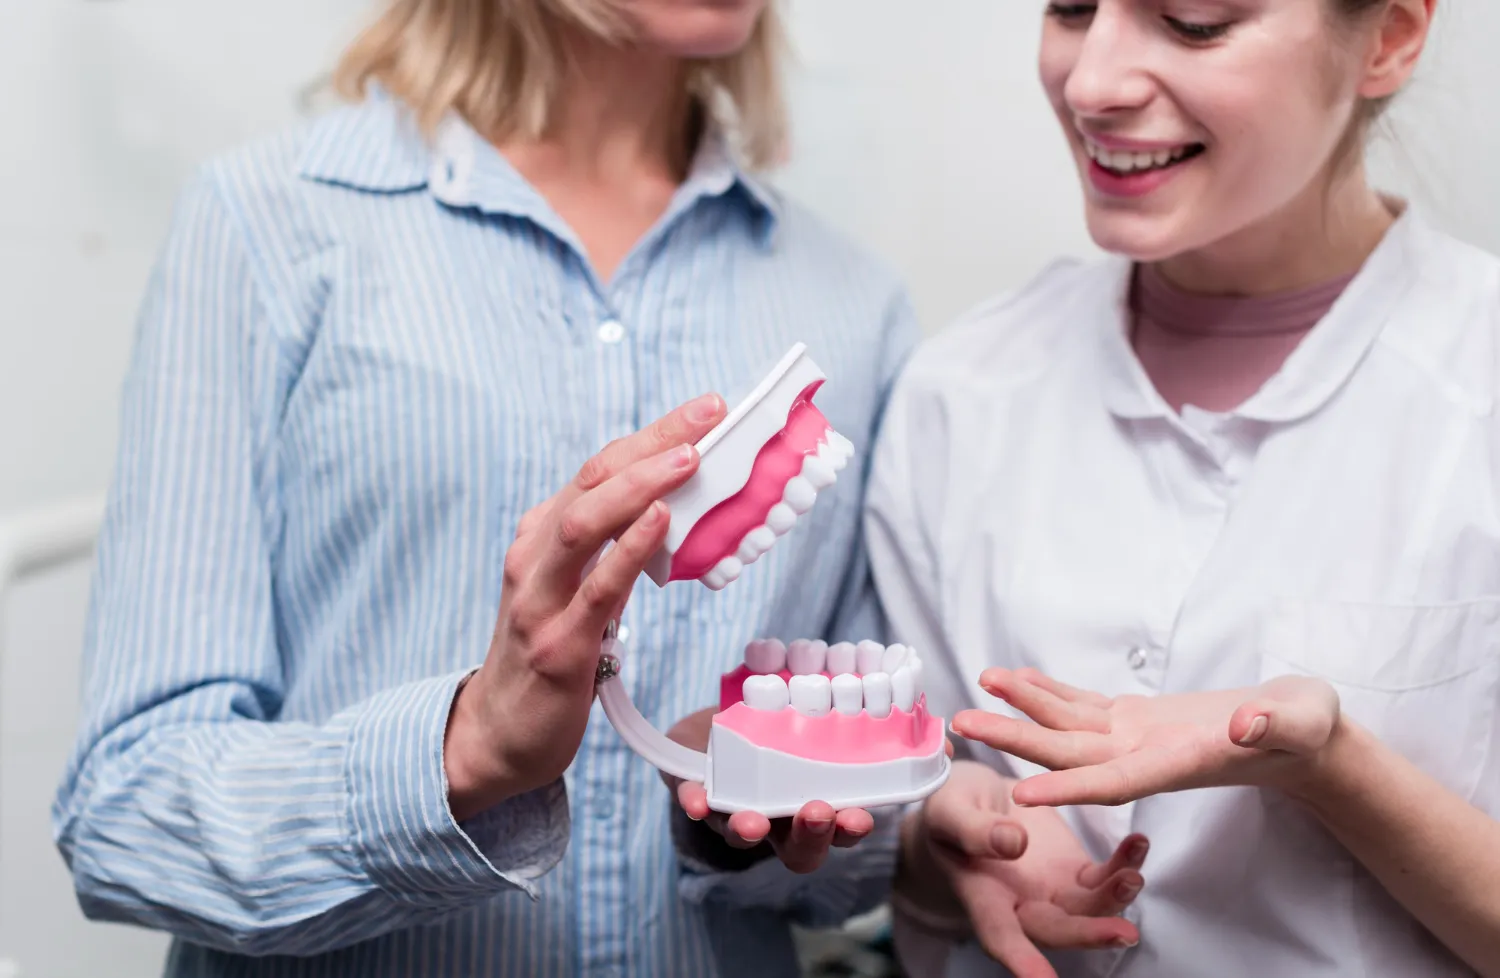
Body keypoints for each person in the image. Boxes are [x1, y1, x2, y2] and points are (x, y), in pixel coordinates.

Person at [50, 1, 917, 976]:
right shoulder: (264, 228)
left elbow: (864, 856)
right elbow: (124, 815)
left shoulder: (858, 306)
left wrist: (737, 827)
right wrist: (464, 755)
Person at [867, 0, 1500, 975]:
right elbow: (903, 826)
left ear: (1389, 39)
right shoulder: (957, 396)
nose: (1090, 84)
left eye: (1194, 21)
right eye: (1072, 8)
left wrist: (1335, 771)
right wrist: (940, 852)